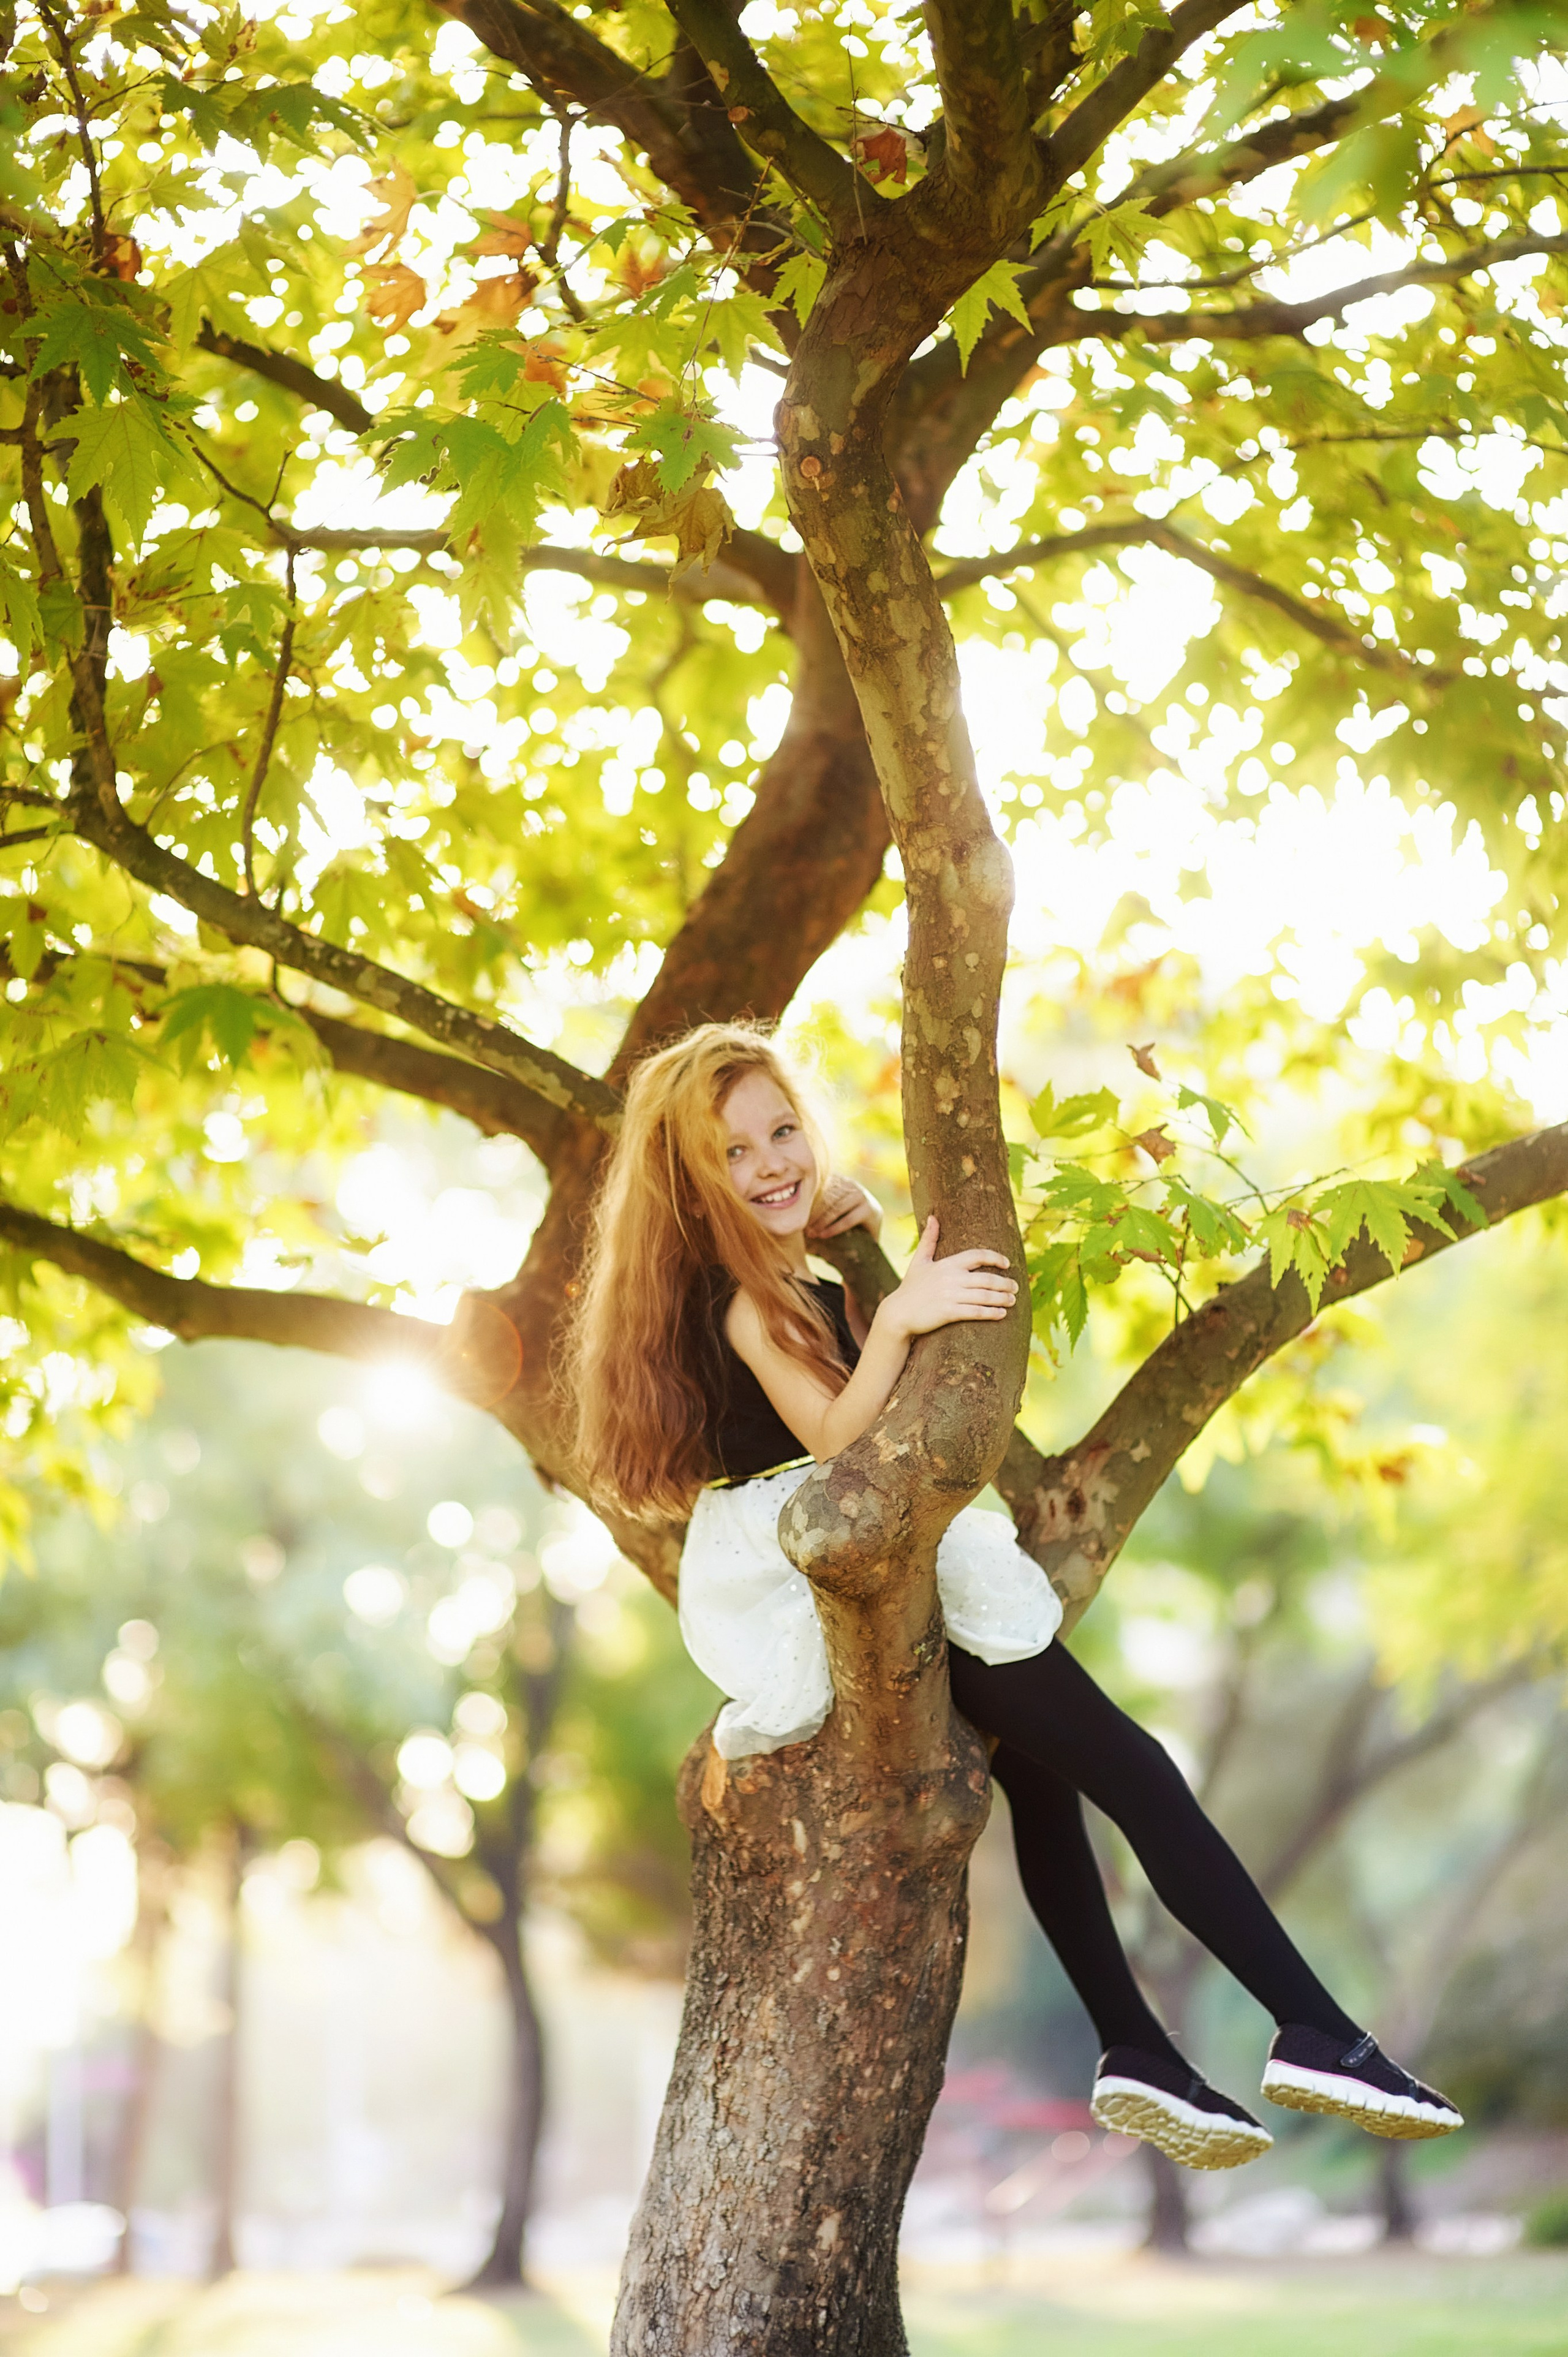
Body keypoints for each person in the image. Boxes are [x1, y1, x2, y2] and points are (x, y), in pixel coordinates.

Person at [563, 1023, 1463, 2171]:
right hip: (838, 1565)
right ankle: (1317, 2030)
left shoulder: (793, 1276)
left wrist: (868, 1252)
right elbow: (841, 1437)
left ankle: (1134, 2044)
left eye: (783, 1129)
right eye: (733, 1154)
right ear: (692, 1188)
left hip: (878, 1551)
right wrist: (896, 1311)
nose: (772, 1162)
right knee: (1134, 1769)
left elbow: (860, 1395)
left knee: (1047, 1784)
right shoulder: (745, 1305)